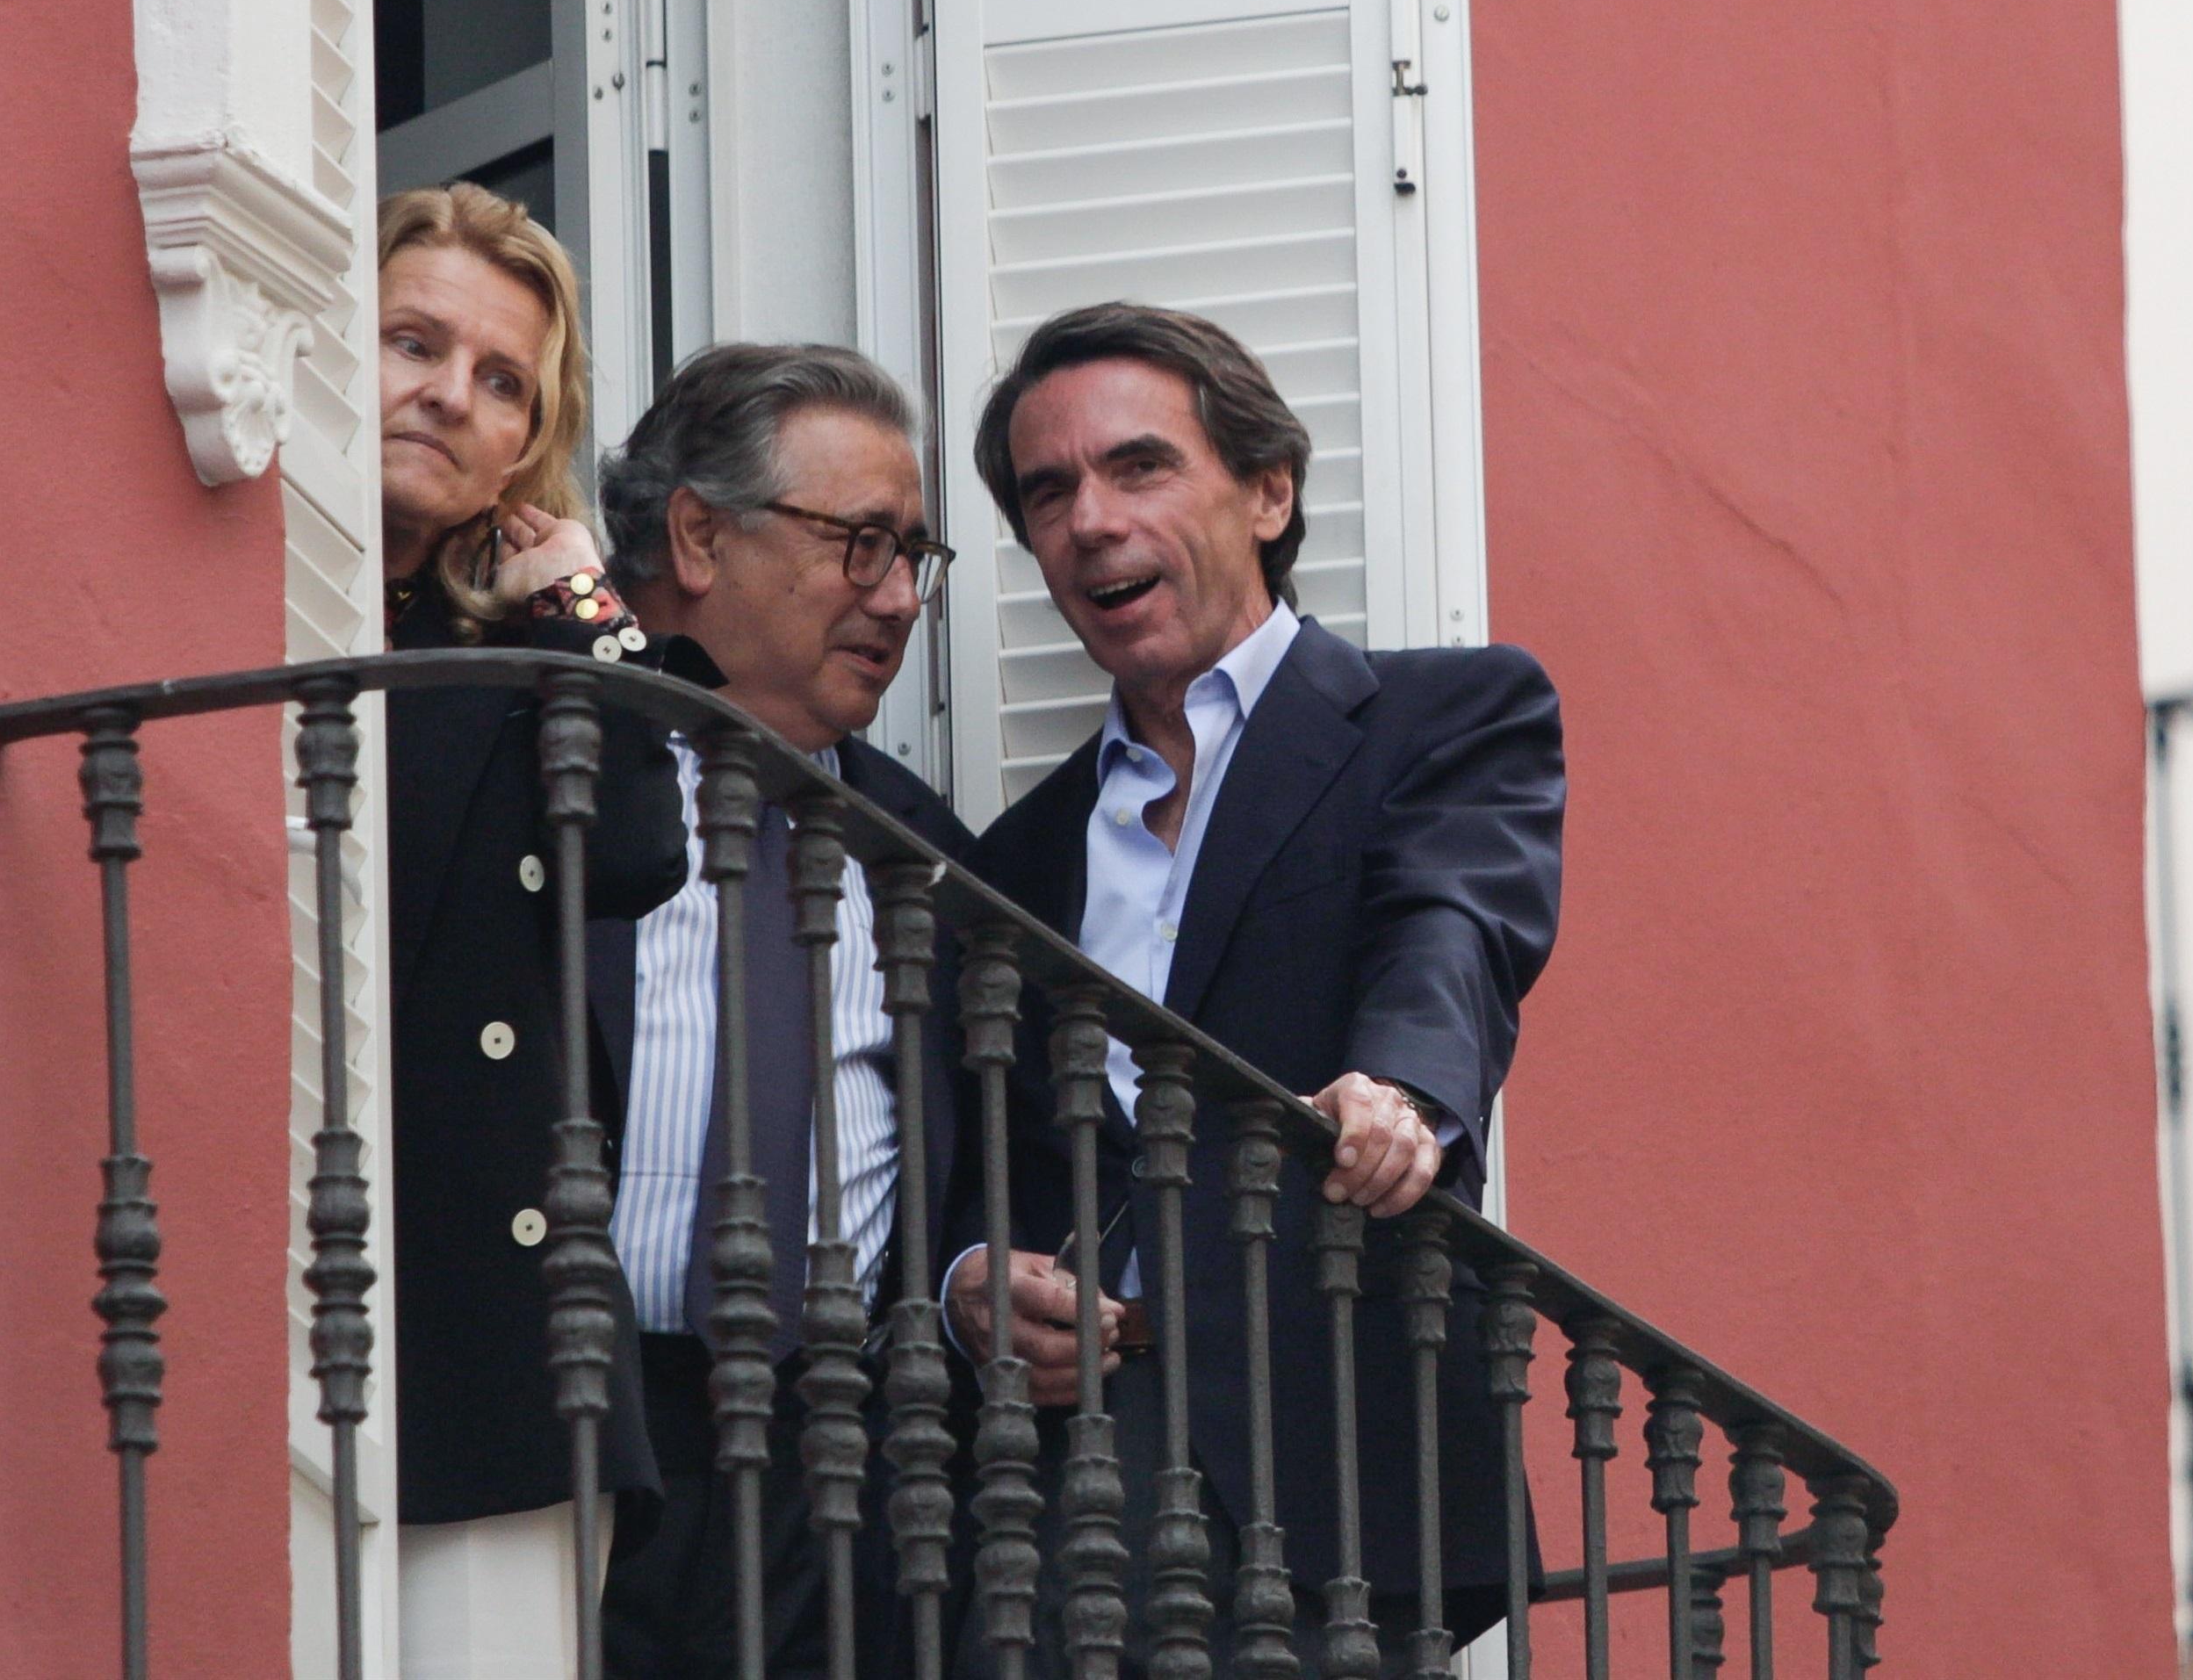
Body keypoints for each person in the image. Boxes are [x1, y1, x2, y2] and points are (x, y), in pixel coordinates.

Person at [945, 302, 1565, 1676]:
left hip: (1331, 1477)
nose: (1091, 522)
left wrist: (1402, 1089)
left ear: (1268, 490)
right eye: (1049, 494)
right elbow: (981, 1156)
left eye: (1140, 467)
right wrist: (973, 1282)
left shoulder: (1441, 720)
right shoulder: (1011, 862)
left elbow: (1451, 929)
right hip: (1061, 1515)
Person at [589, 342, 977, 1680]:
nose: (899, 598)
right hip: (577, 1413)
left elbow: (978, 1171)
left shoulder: (928, 853)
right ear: (698, 534)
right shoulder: (537, 767)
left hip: (832, 1466)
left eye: (914, 556)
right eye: (860, 544)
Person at [376, 184, 696, 1680]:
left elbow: (638, 845)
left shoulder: (516, 654)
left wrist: (577, 598)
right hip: (280, 1260)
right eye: (412, 342)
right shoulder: (212, 574)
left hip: (493, 1332)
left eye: (503, 381)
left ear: (528, 442)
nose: (449, 394)